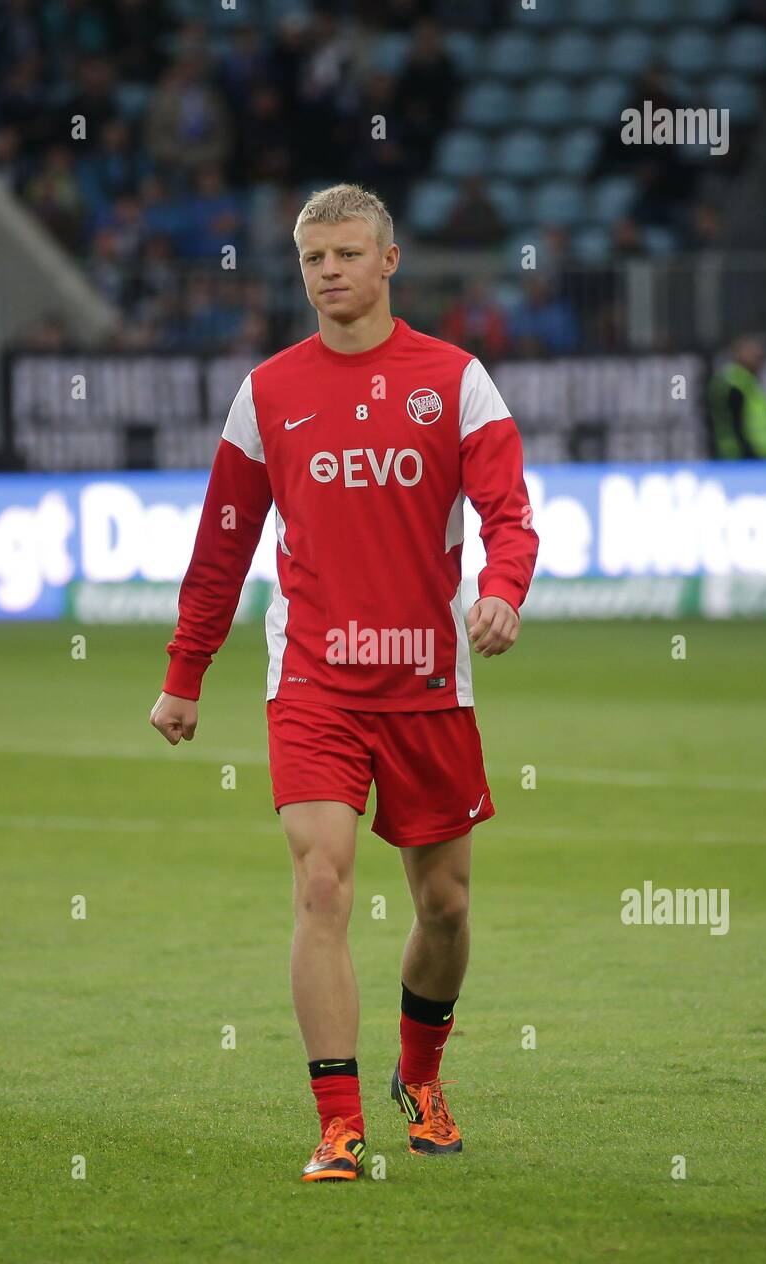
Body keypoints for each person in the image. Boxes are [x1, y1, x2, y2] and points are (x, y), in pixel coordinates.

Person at [149, 183, 538, 1182]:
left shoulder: (454, 382)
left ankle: (421, 1075)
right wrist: (184, 673)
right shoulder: (267, 391)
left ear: (389, 261)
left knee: (444, 907)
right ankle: (336, 1122)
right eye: (312, 259)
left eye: (347, 255)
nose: (328, 272)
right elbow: (222, 546)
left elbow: (509, 515)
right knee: (318, 882)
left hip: (426, 684)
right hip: (314, 679)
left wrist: (501, 590)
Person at [709, 334, 766, 460]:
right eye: (753, 352)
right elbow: (732, 424)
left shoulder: (750, 379)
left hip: (764, 455)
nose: (759, 355)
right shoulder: (733, 383)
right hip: (744, 457)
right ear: (739, 353)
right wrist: (745, 451)